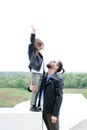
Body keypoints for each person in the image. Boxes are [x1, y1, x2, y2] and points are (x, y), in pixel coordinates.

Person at [38, 60, 65, 130]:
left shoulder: (58, 80)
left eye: (54, 62)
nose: (50, 61)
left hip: (50, 112)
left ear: (56, 67)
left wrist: (55, 114)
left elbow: (59, 98)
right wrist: (29, 88)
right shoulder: (43, 77)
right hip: (41, 110)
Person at [28, 25, 45, 112]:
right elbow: (31, 43)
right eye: (40, 46)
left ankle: (36, 105)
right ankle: (32, 106)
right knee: (35, 89)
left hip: (41, 74)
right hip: (35, 73)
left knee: (38, 90)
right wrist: (33, 32)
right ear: (36, 45)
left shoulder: (39, 54)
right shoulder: (32, 52)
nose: (41, 48)